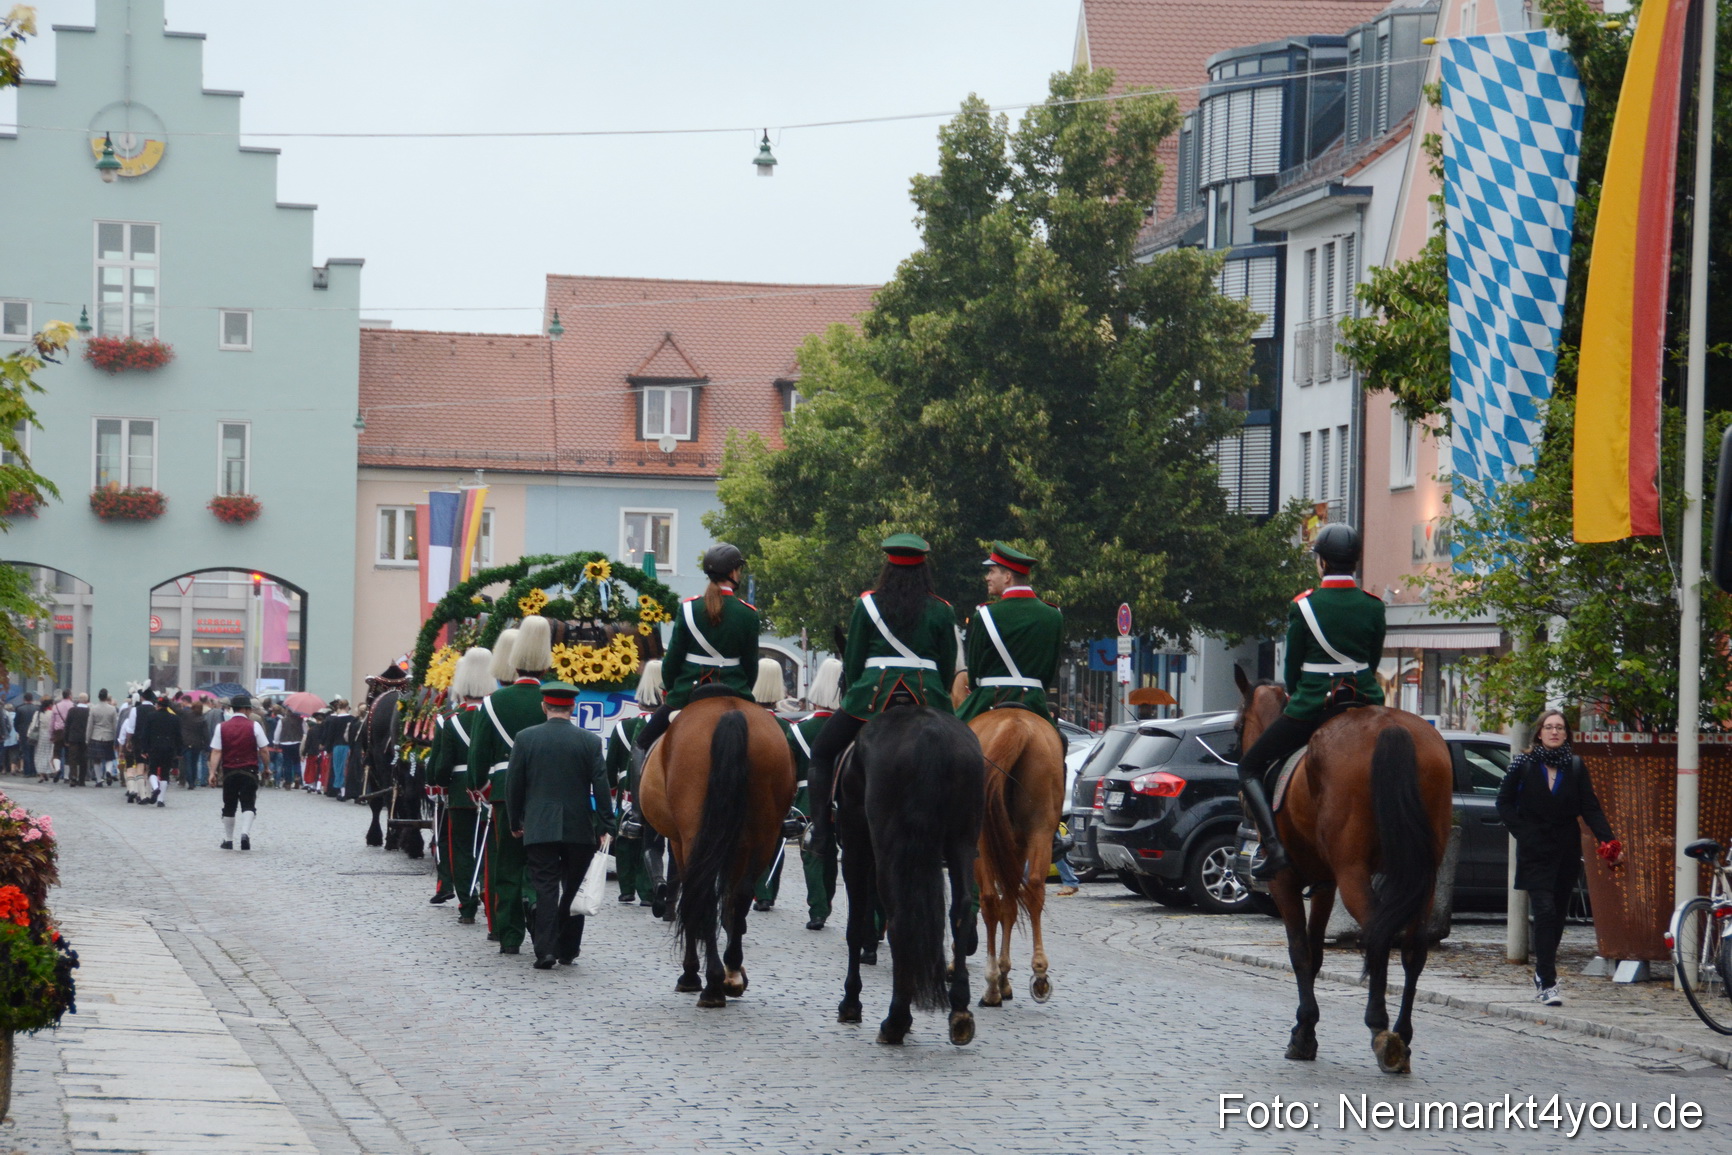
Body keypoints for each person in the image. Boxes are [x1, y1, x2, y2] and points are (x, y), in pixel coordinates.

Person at [1233, 523, 1385, 880]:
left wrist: (1302, 696)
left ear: (1322, 563)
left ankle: (1274, 848)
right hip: (1365, 701)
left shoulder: (1303, 607)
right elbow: (1373, 661)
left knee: (1250, 767)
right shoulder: (1373, 606)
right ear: (1354, 562)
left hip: (1313, 705)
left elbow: (1293, 668)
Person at [806, 533, 958, 847]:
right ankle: (963, 834)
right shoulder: (942, 609)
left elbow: (854, 659)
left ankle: (819, 830)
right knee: (968, 757)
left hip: (871, 696)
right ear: (923, 569)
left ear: (887, 567)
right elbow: (946, 667)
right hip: (928, 694)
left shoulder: (867, 605)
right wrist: (936, 692)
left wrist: (857, 689)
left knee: (821, 752)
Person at [1497, 709, 1622, 1007]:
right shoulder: (1524, 763)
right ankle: (1547, 981)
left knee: (1557, 916)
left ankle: (1543, 969)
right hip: (1535, 849)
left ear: (1566, 734)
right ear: (1539, 733)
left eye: (1560, 728)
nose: (1554, 732)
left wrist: (1609, 841)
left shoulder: (1575, 767)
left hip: (1566, 850)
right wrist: (1523, 832)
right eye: (1549, 727)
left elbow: (1589, 807)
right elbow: (1503, 802)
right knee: (1544, 912)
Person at [506, 680, 616, 969]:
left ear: (544, 706)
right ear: (574, 707)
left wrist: (514, 819)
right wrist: (607, 824)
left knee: (545, 888)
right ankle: (568, 948)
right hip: (579, 825)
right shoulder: (590, 741)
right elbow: (601, 786)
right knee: (573, 887)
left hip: (540, 825)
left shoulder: (526, 738)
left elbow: (514, 785)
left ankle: (545, 950)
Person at [468, 621, 549, 956]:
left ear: (513, 664)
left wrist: (482, 788)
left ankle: (510, 934)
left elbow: (478, 757)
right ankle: (537, 911)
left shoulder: (492, 702)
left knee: (507, 864)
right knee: (543, 862)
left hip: (503, 792)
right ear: (545, 664)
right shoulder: (553, 698)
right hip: (546, 792)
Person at [634, 543, 759, 750]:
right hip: (735, 689)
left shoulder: (689, 608)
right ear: (733, 572)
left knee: (642, 743)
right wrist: (744, 688)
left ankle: (634, 782)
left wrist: (672, 690)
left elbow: (672, 659)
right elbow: (751, 665)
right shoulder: (748, 613)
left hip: (688, 690)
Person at [955, 543, 1065, 742]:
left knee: (950, 738)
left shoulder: (985, 614)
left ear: (1007, 577)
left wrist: (975, 685)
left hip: (990, 698)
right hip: (1033, 700)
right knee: (1059, 743)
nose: (987, 577)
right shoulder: (1053, 615)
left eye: (991, 571)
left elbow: (975, 674)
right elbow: (1050, 668)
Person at [429, 648, 494, 922]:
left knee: (463, 850)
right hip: (493, 791)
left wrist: (438, 784)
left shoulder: (449, 720)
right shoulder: (495, 716)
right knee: (490, 851)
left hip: (459, 793)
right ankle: (489, 899)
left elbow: (441, 764)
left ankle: (467, 904)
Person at [789, 657, 843, 929]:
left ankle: (818, 909)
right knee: (834, 855)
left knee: (812, 855)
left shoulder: (799, 728)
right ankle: (828, 902)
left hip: (808, 798)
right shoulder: (850, 728)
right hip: (843, 798)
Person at [606, 660, 662, 907]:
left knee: (626, 839)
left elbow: (612, 764)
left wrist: (612, 788)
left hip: (628, 791)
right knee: (654, 839)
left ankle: (626, 888)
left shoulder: (622, 727)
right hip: (659, 791)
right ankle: (648, 889)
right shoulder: (668, 726)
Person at [749, 657, 796, 912]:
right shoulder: (785, 726)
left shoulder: (743, 722)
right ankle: (768, 891)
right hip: (776, 797)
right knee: (775, 840)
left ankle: (756, 888)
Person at [208, 695, 269, 850]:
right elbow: (264, 750)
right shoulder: (254, 726)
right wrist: (267, 768)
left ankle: (228, 840)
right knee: (248, 803)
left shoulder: (221, 727)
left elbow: (216, 751)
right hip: (249, 770)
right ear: (246, 709)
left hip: (229, 771)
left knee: (229, 804)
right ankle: (244, 834)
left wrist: (212, 773)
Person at [324, 699, 356, 796]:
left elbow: (330, 736)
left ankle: (341, 791)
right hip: (349, 747)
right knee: (346, 768)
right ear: (347, 707)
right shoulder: (352, 719)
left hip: (337, 746)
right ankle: (346, 790)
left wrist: (328, 749)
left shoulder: (334, 720)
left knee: (338, 769)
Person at [88, 689, 119, 787]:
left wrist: (87, 738)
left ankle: (98, 780)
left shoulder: (93, 708)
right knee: (109, 757)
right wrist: (115, 737)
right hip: (108, 736)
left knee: (97, 759)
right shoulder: (112, 709)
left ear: (98, 697)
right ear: (106, 697)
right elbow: (115, 725)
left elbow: (90, 725)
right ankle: (108, 772)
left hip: (96, 736)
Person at [273, 706, 304, 790]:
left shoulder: (282, 720)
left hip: (285, 743)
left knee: (287, 763)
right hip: (297, 742)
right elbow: (305, 731)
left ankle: (288, 782)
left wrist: (276, 743)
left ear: (287, 711)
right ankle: (297, 777)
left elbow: (277, 733)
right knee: (297, 761)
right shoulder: (300, 720)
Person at [62, 693, 90, 786]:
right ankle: (82, 779)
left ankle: (73, 776)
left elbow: (67, 725)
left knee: (72, 758)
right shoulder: (89, 711)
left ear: (78, 700)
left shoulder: (72, 710)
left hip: (73, 737)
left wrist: (66, 738)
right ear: (87, 701)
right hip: (85, 738)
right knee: (84, 758)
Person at [178, 699, 206, 790]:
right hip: (197, 744)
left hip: (186, 742)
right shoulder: (202, 719)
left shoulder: (186, 714)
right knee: (194, 763)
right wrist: (207, 745)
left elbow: (176, 709)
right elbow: (206, 734)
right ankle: (193, 780)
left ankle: (190, 782)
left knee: (188, 763)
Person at [12, 694, 36, 777]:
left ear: (24, 699)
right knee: (33, 752)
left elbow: (16, 723)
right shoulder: (36, 708)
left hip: (23, 732)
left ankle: (27, 771)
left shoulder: (19, 709)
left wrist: (18, 730)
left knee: (25, 752)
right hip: (34, 733)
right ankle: (33, 771)